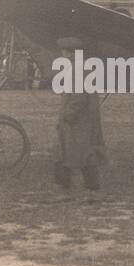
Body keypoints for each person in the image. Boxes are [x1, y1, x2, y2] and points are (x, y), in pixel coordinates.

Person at [52, 36, 107, 194]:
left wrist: (67, 115)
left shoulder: (77, 69)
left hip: (78, 121)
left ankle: (77, 188)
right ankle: (69, 186)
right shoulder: (81, 67)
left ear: (68, 53)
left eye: (63, 52)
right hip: (82, 120)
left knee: (76, 153)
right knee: (74, 152)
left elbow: (78, 97)